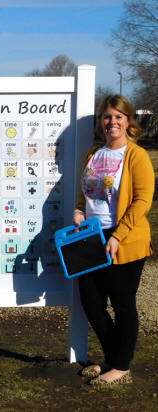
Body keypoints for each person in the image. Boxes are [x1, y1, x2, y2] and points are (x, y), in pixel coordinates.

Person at [73, 95, 154, 385]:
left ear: (128, 120)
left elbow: (143, 200)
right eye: (107, 116)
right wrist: (79, 210)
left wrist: (118, 235)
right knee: (91, 301)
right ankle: (111, 357)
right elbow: (87, 191)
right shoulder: (93, 155)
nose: (112, 122)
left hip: (125, 237)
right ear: (101, 121)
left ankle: (121, 366)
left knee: (122, 304)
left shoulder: (136, 155)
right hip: (92, 236)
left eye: (118, 116)